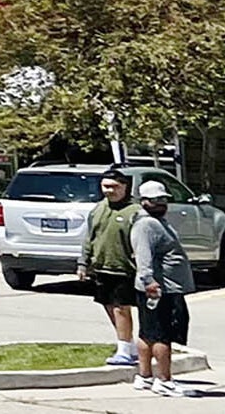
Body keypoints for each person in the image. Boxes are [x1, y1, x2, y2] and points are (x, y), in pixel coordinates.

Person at [130, 180, 199, 397]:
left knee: (148, 332)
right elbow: (143, 256)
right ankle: (164, 380)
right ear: (143, 202)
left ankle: (145, 376)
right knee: (162, 335)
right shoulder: (146, 225)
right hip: (159, 289)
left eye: (163, 199)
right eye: (155, 200)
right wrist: (149, 281)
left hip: (163, 287)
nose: (161, 204)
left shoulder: (157, 222)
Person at [77, 169, 139, 366]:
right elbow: (89, 238)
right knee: (110, 307)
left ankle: (124, 351)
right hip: (102, 267)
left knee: (121, 309)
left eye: (114, 187)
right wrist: (83, 263)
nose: (109, 191)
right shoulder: (99, 209)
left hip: (124, 269)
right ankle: (128, 345)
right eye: (106, 186)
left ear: (125, 187)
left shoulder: (135, 211)